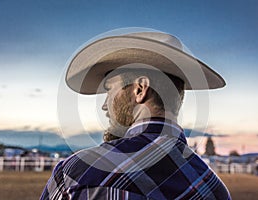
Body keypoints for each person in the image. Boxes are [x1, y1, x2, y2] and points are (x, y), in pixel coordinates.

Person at [41, 31, 231, 199]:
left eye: (109, 90)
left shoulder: (78, 174)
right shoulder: (213, 189)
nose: (105, 106)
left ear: (140, 89)